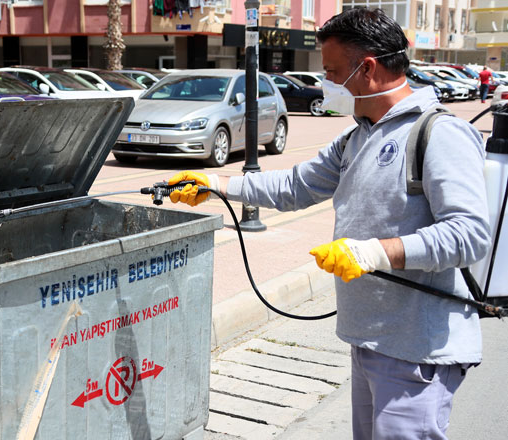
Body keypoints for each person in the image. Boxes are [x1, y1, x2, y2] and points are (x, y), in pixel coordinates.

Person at [167, 8, 490, 440]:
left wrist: (373, 251)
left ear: (368, 68)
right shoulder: (359, 135)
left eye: (333, 71)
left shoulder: (438, 134)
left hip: (417, 348)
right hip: (372, 338)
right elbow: (296, 187)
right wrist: (217, 184)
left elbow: (468, 235)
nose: (327, 83)